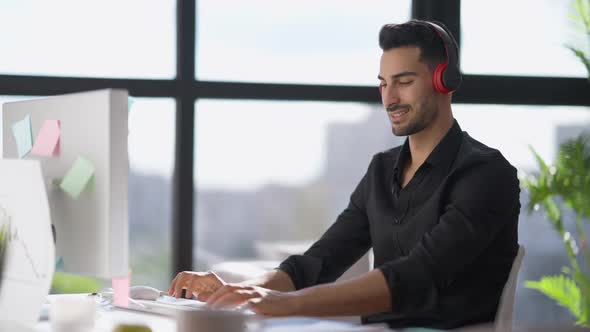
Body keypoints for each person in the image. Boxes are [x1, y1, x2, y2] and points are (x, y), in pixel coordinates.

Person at [168, 19, 520, 329]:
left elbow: (417, 275)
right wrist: (237, 292)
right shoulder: (382, 170)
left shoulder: (487, 174)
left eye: (404, 81)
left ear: (444, 80)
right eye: (383, 83)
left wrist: (285, 305)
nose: (390, 98)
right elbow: (316, 263)